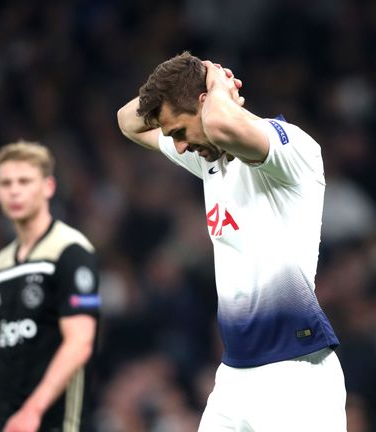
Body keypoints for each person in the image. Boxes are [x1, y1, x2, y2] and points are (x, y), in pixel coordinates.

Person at [117, 52, 346, 431]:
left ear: (206, 105)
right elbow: (127, 122)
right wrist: (203, 76)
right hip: (235, 377)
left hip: (297, 378)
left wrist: (216, 85)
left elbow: (223, 124)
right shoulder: (210, 160)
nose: (178, 146)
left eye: (179, 132)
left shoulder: (290, 150)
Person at [0, 141, 100, 432]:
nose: (14, 191)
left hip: (53, 416)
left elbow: (80, 343)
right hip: (5, 412)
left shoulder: (70, 251)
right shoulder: (0, 264)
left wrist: (32, 410)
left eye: (24, 181)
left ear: (48, 187)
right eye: (6, 183)